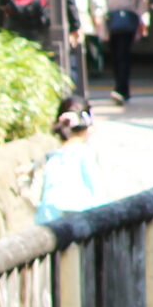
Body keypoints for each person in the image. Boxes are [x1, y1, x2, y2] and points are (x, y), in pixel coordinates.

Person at [34, 94, 105, 224]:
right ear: (88, 128)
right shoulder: (86, 155)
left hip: (49, 222)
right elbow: (99, 198)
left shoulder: (50, 158)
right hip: (81, 222)